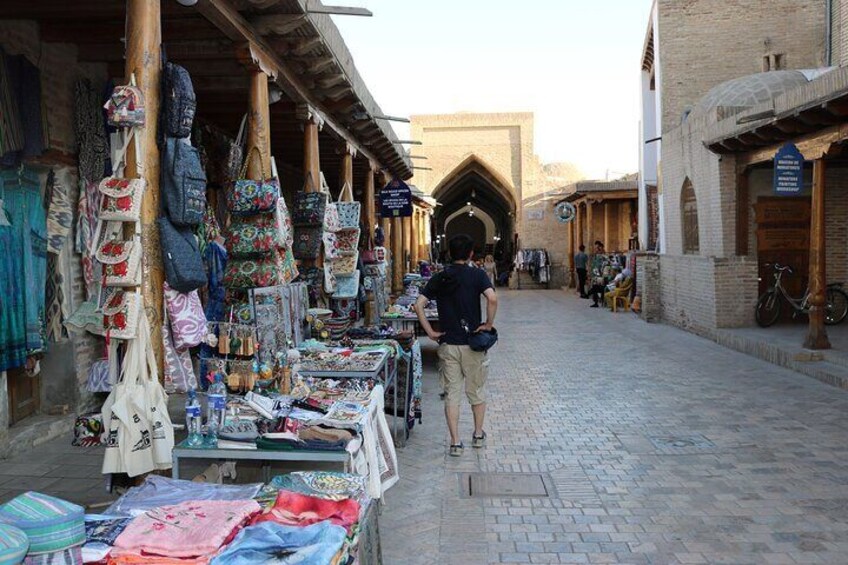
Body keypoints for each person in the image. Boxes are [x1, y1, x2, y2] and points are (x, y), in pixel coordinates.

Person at [415, 234, 498, 457]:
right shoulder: (477, 275)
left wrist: (430, 332)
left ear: (450, 253)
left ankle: (455, 442)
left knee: (452, 394)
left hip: (448, 343)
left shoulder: (440, 277)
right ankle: (478, 435)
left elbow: (418, 305)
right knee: (476, 391)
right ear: (471, 254)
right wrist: (488, 324)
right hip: (472, 344)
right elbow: (492, 299)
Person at [588, 241, 611, 308]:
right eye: (596, 248)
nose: (597, 250)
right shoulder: (597, 256)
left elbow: (606, 267)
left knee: (598, 288)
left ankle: (600, 301)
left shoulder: (604, 256)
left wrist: (604, 276)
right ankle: (597, 301)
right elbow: (594, 265)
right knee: (595, 288)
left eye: (598, 248)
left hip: (602, 276)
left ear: (601, 247)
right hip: (596, 276)